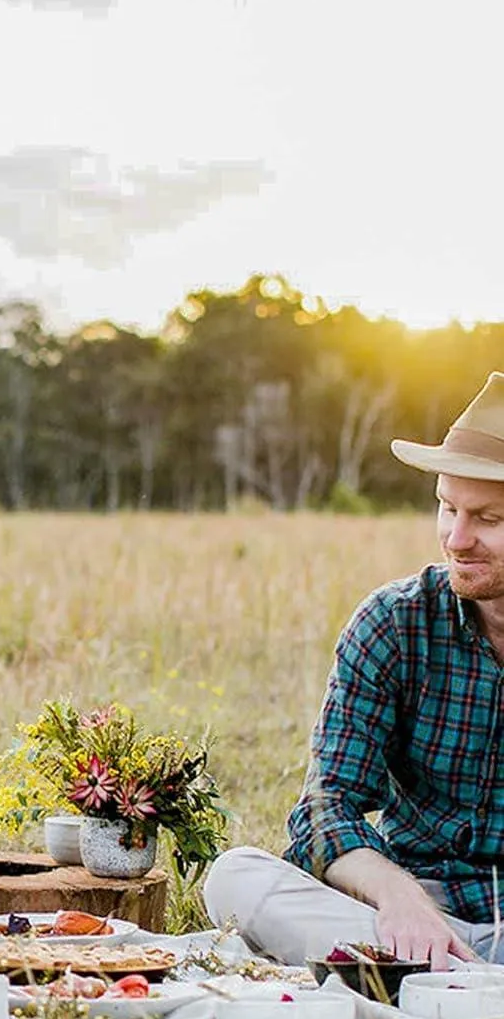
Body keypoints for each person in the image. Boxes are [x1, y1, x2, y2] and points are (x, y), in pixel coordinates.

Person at [205, 371, 504, 971]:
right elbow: (325, 806)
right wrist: (400, 899)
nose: (457, 537)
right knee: (235, 878)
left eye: (488, 518)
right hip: (404, 915)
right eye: (447, 508)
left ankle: (425, 982)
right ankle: (444, 975)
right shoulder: (394, 622)